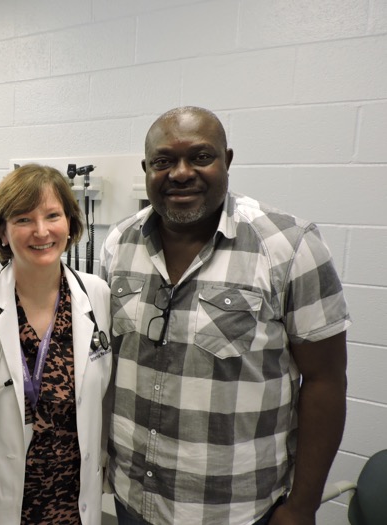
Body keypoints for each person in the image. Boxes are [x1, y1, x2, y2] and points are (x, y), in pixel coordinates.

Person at [99, 107, 351, 525]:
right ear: (146, 169)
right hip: (133, 499)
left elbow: (325, 381)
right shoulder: (119, 244)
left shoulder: (289, 246)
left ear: (227, 161)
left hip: (234, 510)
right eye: (163, 161)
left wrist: (302, 506)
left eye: (200, 157)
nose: (180, 173)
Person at [0, 164, 112, 524]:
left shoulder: (97, 295)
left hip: (74, 503)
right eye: (23, 219)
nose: (41, 231)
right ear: (2, 231)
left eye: (53, 215)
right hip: (2, 501)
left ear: (71, 224)